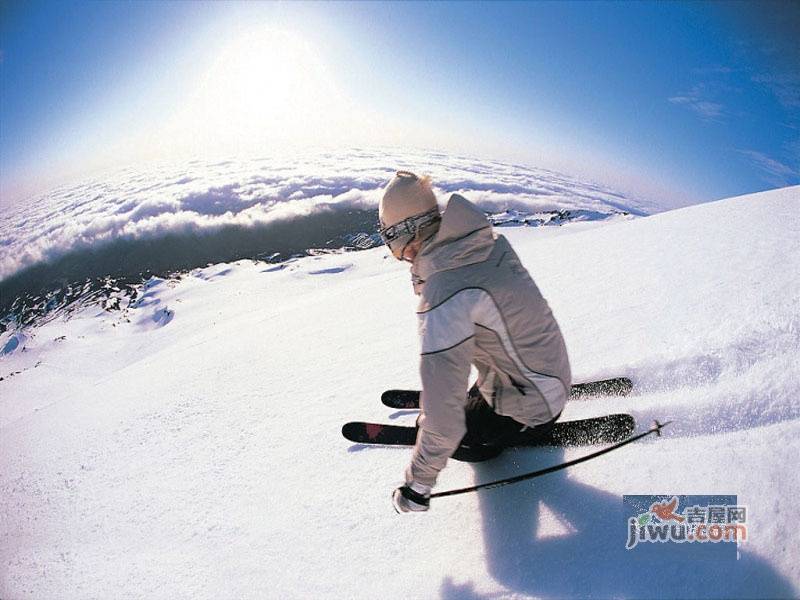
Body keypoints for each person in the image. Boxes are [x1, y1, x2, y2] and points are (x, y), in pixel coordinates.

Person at [378, 171, 572, 513]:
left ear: (406, 234)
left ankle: (494, 425)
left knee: (458, 432)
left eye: (392, 241)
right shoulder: (480, 243)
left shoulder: (446, 290)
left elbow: (444, 414)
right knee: (457, 399)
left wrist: (418, 485)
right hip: (546, 369)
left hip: (534, 403)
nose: (399, 255)